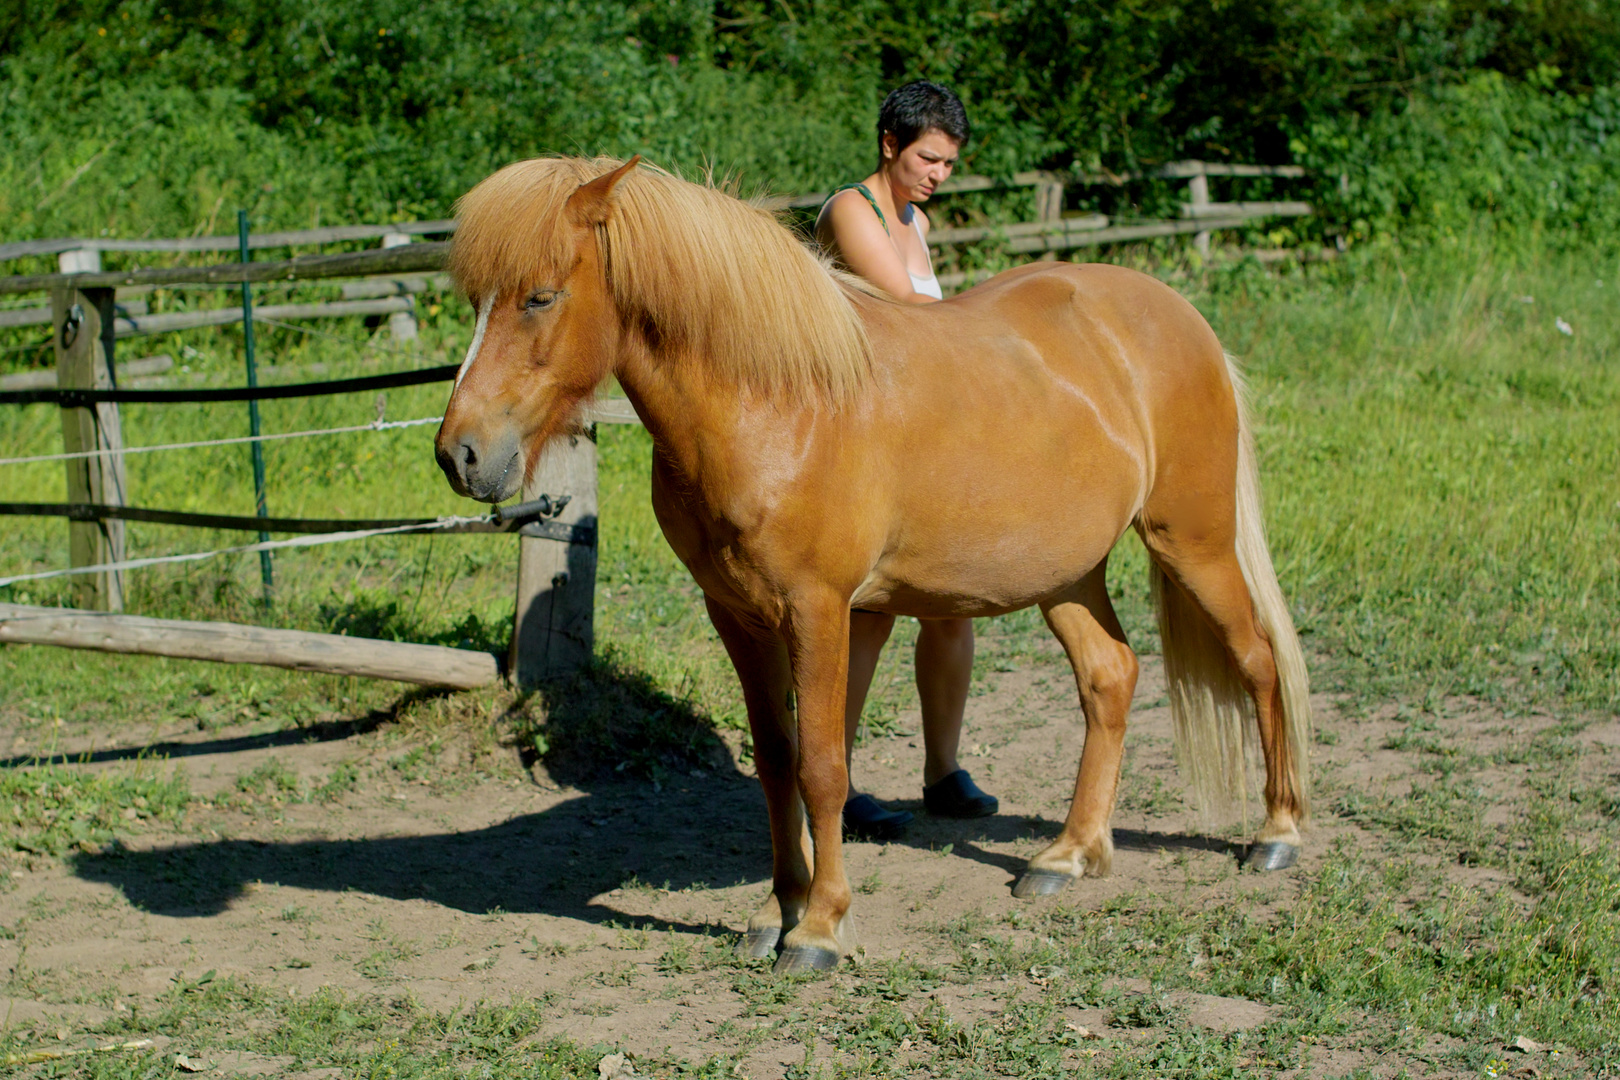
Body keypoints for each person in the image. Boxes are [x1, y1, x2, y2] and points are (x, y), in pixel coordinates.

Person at [814, 80, 999, 841]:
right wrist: (999, 320)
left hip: (924, 428)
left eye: (950, 164)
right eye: (928, 158)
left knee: (952, 609)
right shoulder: (849, 210)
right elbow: (903, 313)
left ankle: (943, 770)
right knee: (868, 618)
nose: (938, 175)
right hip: (860, 434)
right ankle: (838, 780)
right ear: (890, 144)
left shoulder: (915, 221)